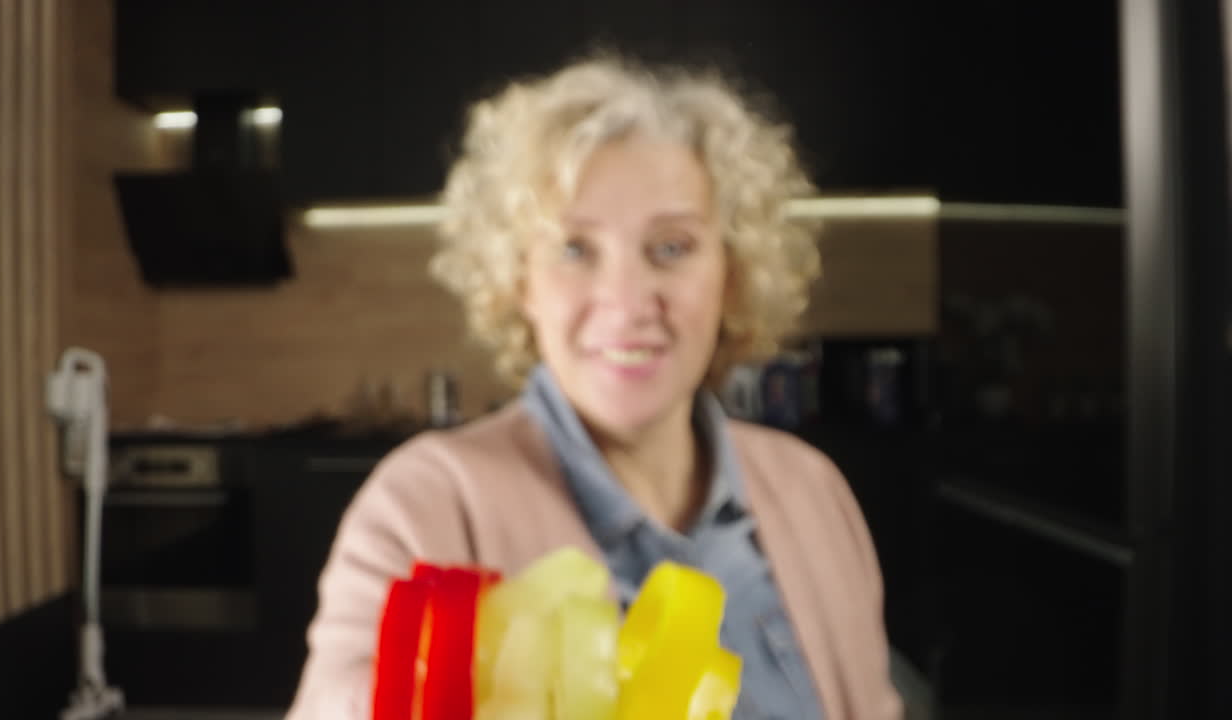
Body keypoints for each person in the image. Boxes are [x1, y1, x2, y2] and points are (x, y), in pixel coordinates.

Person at [286, 56, 902, 720]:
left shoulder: (813, 492)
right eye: (575, 249)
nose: (626, 300)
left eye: (672, 247)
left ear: (733, 273)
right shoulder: (427, 503)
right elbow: (337, 698)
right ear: (519, 280)